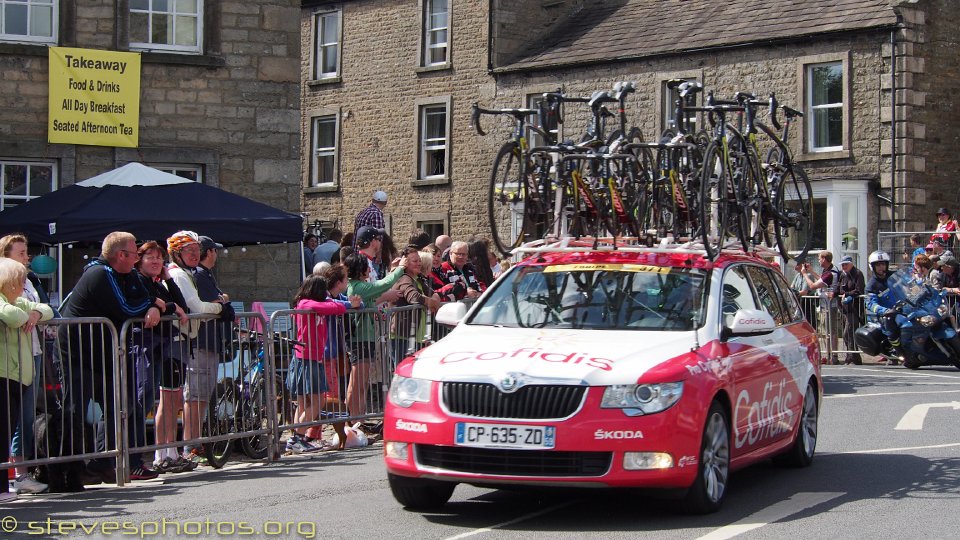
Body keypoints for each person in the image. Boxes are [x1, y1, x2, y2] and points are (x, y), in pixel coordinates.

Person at [58, 232, 166, 481]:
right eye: (135, 254)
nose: (137, 258)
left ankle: (102, 463)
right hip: (77, 352)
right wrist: (153, 304)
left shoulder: (127, 275)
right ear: (121, 255)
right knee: (74, 408)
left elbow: (144, 298)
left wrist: (157, 304)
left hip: (104, 352)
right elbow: (125, 308)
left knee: (118, 406)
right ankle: (67, 468)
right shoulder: (100, 273)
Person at [166, 231, 233, 466]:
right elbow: (198, 306)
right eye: (189, 250)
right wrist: (221, 305)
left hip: (201, 340)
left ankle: (190, 445)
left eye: (196, 250)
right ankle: (188, 446)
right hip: (197, 342)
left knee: (200, 396)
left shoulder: (194, 274)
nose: (195, 254)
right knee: (194, 396)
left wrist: (220, 304)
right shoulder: (185, 275)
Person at [133, 241, 195, 474]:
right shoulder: (139, 281)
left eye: (159, 257)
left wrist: (168, 279)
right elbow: (159, 305)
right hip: (150, 347)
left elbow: (180, 305)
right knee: (162, 400)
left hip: (165, 345)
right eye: (150, 257)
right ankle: (161, 453)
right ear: (139, 260)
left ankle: (170, 451)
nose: (156, 261)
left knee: (172, 400)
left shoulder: (158, 283)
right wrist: (169, 306)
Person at [0, 234, 53, 494]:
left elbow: (47, 308)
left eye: (26, 252)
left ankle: (22, 473)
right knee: (9, 422)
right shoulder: (6, 289)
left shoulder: (29, 281)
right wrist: (26, 313)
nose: (26, 257)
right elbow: (12, 315)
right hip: (7, 366)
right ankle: (13, 476)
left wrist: (35, 312)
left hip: (29, 356)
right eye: (20, 252)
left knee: (25, 417)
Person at [286, 275, 361, 453]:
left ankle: (299, 438)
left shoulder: (321, 303)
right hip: (306, 358)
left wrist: (342, 304)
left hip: (313, 357)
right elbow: (327, 306)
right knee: (316, 400)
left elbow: (334, 306)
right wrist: (348, 305)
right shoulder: (304, 303)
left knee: (305, 403)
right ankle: (296, 437)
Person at [344, 252, 407, 421]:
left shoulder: (359, 285)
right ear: (362, 270)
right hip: (361, 339)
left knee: (362, 383)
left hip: (366, 338)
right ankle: (354, 420)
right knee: (357, 383)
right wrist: (400, 269)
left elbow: (377, 295)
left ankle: (359, 419)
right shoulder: (357, 287)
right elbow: (383, 284)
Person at [389, 247, 441, 367]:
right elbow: (413, 297)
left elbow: (434, 293)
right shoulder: (404, 278)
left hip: (417, 336)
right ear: (405, 263)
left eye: (419, 260)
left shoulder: (417, 279)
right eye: (414, 261)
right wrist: (431, 303)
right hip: (402, 336)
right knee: (404, 373)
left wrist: (434, 299)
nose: (419, 263)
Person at [864, 250, 902, 365]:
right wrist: (885, 311)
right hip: (889, 314)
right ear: (873, 267)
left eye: (883, 264)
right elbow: (870, 304)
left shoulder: (895, 276)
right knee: (891, 326)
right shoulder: (872, 285)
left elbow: (908, 285)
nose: (881, 267)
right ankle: (899, 351)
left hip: (904, 308)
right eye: (878, 265)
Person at [804, 251, 841, 364]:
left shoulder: (830, 273)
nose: (819, 261)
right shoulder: (829, 270)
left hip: (830, 305)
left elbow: (813, 286)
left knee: (831, 331)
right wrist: (811, 271)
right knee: (826, 331)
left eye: (819, 259)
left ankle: (833, 356)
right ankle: (829, 354)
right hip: (826, 304)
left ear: (824, 259)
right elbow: (822, 279)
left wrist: (805, 274)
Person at [836, 255, 865, 365]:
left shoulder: (858, 274)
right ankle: (852, 357)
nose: (844, 266)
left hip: (854, 308)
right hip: (844, 309)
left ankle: (853, 356)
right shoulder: (843, 275)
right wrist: (834, 293)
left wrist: (847, 295)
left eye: (846, 264)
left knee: (848, 333)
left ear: (851, 264)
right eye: (842, 265)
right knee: (848, 333)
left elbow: (859, 290)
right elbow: (839, 288)